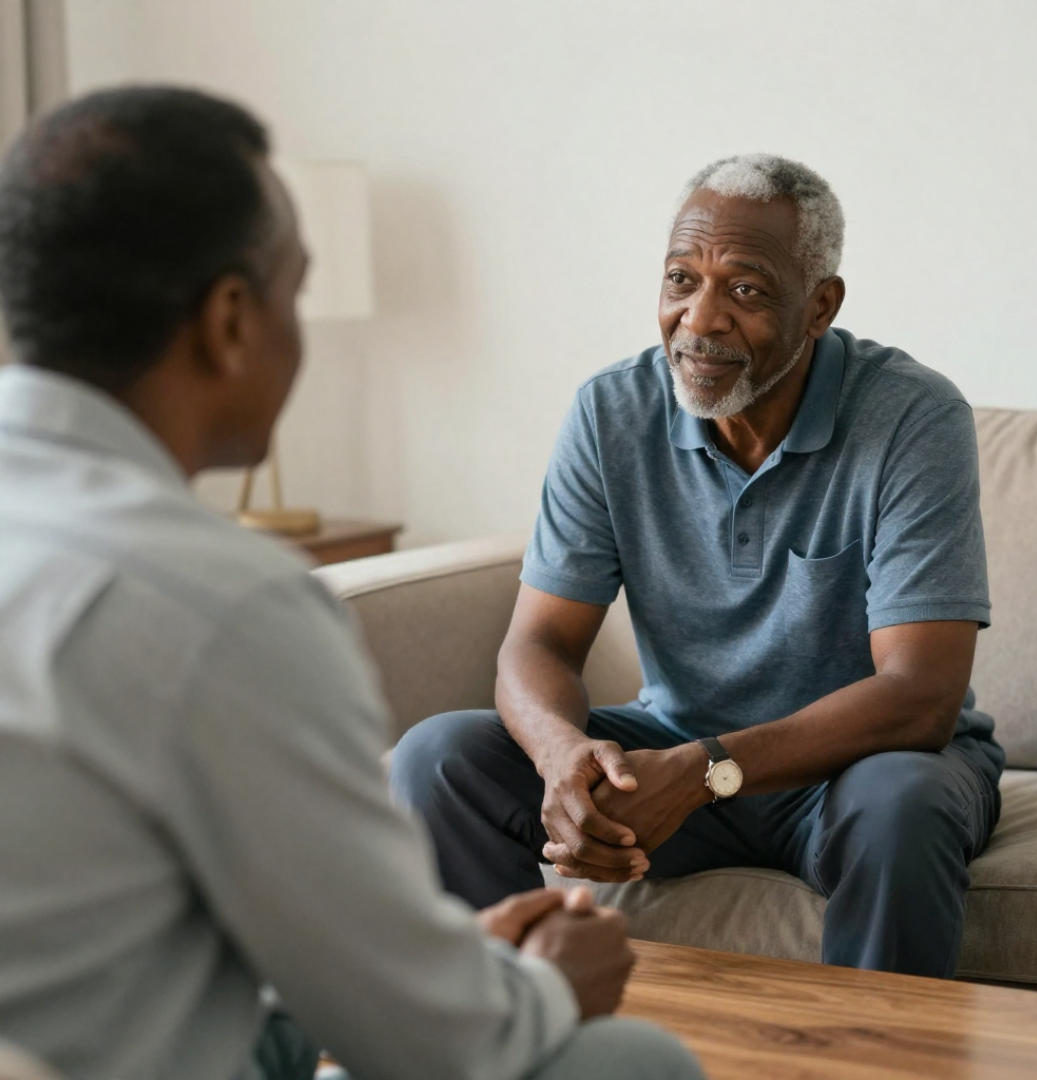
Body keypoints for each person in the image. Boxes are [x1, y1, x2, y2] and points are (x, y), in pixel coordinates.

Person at [0, 87, 705, 1080]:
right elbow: (429, 1043)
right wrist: (547, 989)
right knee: (631, 1061)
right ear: (231, 320)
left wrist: (444, 969)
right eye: (296, 291)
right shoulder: (222, 603)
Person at [391, 153, 1005, 979]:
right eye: (681, 279)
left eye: (745, 290)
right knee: (439, 758)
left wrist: (707, 769)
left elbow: (919, 697)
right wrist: (565, 759)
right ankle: (506, 1044)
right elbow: (537, 643)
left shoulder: (911, 417)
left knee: (904, 805)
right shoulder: (611, 412)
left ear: (820, 305)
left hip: (855, 769)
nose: (700, 319)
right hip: (672, 752)